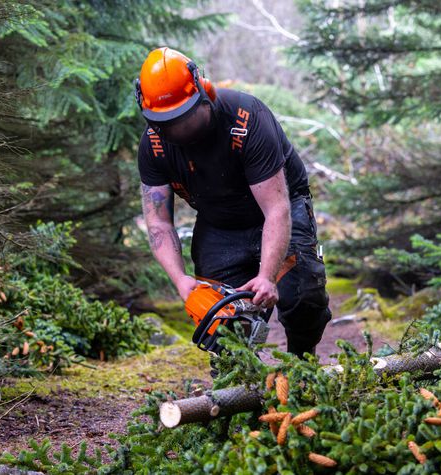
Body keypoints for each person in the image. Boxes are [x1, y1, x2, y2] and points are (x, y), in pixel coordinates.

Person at [134, 47, 331, 357]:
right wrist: (180, 280)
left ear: (203, 92)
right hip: (219, 222)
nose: (179, 131)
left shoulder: (246, 119)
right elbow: (158, 222)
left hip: (280, 208)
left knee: (303, 299)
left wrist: (267, 276)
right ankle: (237, 387)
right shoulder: (154, 146)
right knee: (222, 322)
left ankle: (303, 367)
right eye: (167, 123)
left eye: (184, 118)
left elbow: (276, 209)